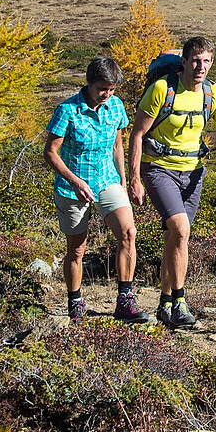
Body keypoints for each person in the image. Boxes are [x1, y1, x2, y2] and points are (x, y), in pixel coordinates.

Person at [128, 35, 216, 329]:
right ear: (184, 61)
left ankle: (164, 304)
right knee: (181, 228)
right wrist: (134, 179)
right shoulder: (162, 89)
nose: (201, 67)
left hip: (193, 173)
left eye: (207, 61)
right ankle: (180, 300)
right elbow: (137, 135)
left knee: (176, 238)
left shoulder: (214, 95)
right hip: (159, 169)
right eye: (196, 61)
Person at [45, 56, 145, 324]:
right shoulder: (66, 110)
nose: (107, 94)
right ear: (89, 83)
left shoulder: (115, 106)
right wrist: (75, 181)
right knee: (77, 249)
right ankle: (75, 300)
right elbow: (50, 153)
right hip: (72, 186)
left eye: (112, 89)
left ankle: (125, 300)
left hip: (107, 180)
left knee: (127, 232)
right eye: (103, 88)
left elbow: (117, 146)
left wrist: (124, 181)